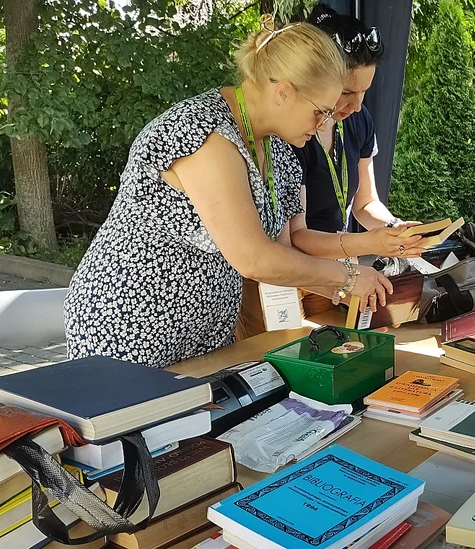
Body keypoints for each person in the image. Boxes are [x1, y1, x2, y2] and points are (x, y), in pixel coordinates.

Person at [64, 18, 393, 368]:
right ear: (284, 92)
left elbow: (283, 253)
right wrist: (348, 276)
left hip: (204, 340)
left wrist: (338, 290)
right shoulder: (202, 131)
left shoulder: (278, 151)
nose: (325, 123)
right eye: (319, 112)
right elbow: (253, 258)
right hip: (129, 328)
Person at [284, 4, 424, 317]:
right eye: (347, 92)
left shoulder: (360, 121)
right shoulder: (293, 133)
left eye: (364, 93)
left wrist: (393, 230)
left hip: (342, 277)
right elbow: (297, 237)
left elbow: (365, 203)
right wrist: (369, 243)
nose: (357, 106)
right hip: (296, 280)